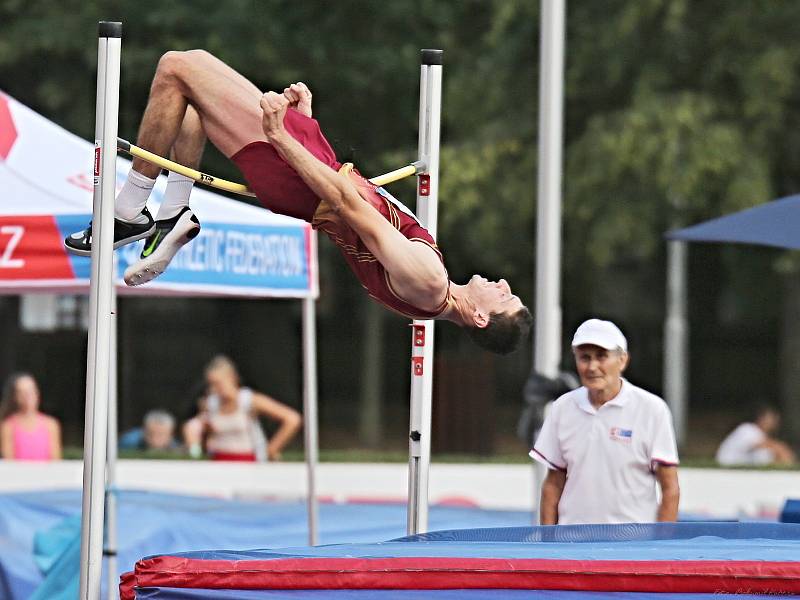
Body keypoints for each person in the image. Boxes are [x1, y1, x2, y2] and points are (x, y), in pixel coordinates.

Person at [63, 50, 532, 354]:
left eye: (504, 296)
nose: (503, 282)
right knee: (190, 99)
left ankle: (128, 214)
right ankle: (172, 214)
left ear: (479, 316)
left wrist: (282, 138)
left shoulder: (429, 282)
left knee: (176, 67)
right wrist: (310, 128)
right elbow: (359, 201)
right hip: (313, 169)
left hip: (304, 178)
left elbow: (349, 206)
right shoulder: (428, 293)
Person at [531, 319, 680, 525]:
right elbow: (553, 485)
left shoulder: (652, 409)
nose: (592, 366)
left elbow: (670, 487)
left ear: (623, 360)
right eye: (585, 357)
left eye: (602, 357)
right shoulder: (563, 408)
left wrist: (661, 546)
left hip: (634, 545)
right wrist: (548, 545)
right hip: (571, 543)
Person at [183, 356, 302, 461]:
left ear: (232, 378)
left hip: (248, 462)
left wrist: (271, 449)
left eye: (218, 384)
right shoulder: (210, 403)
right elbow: (197, 430)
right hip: (218, 461)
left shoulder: (249, 400)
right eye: (211, 384)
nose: (214, 389)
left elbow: (292, 419)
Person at [0, 373, 62, 461]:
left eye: (31, 391)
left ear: (37, 393)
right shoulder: (8, 426)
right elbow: (9, 463)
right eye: (22, 392)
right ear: (15, 397)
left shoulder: (51, 424)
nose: (27, 396)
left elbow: (56, 461)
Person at [716, 405, 795, 466]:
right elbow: (775, 447)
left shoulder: (760, 435)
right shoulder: (747, 429)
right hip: (727, 470)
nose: (775, 422)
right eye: (771, 418)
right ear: (761, 418)